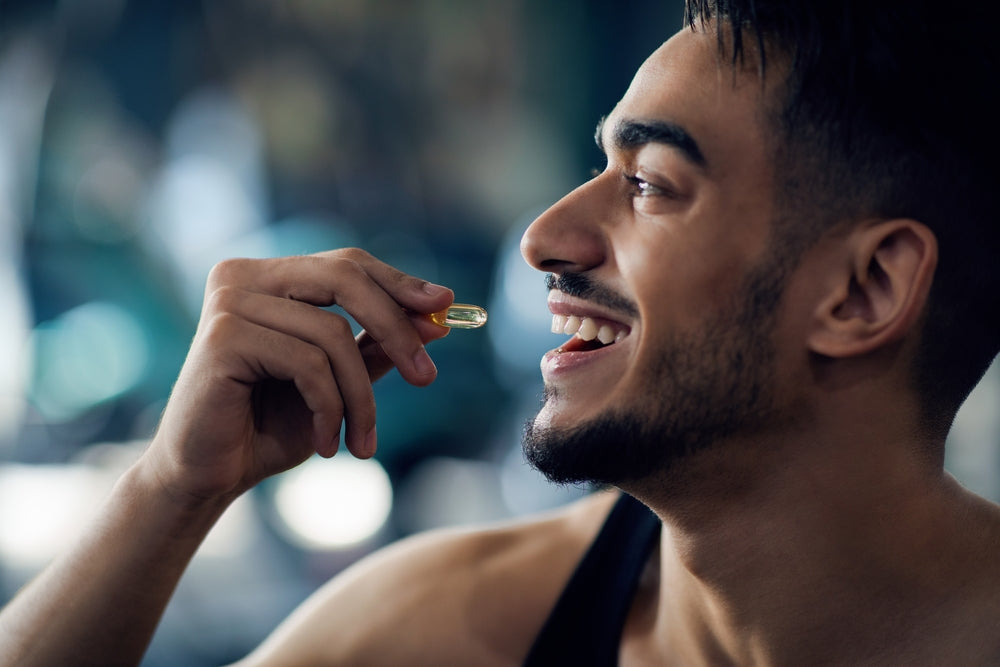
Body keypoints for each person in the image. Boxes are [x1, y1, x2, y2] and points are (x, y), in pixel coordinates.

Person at [3, 0, 1000, 664]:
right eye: (598, 168)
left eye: (650, 184)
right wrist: (169, 491)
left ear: (864, 290)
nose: (546, 237)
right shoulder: (454, 628)